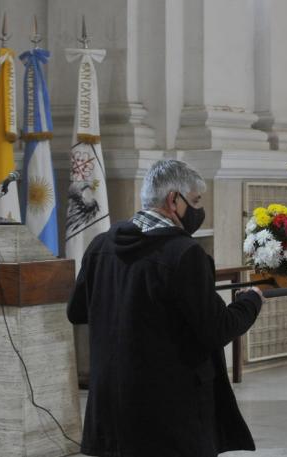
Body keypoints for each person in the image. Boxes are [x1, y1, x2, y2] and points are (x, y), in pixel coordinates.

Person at [68, 159, 264, 457]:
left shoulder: (101, 246)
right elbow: (215, 329)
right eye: (196, 201)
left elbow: (77, 311)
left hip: (110, 407)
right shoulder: (184, 254)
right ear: (174, 199)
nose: (198, 210)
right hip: (168, 411)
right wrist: (251, 301)